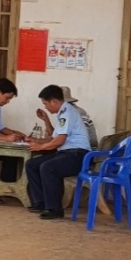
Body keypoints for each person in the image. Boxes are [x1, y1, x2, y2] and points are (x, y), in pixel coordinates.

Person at [24, 85, 93, 220]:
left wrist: (40, 147)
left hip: (78, 155)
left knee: (48, 167)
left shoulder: (67, 113)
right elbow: (54, 138)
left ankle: (54, 209)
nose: (45, 107)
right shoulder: (62, 113)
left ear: (54, 102)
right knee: (32, 164)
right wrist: (36, 141)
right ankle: (41, 202)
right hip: (66, 153)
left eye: (45, 104)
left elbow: (59, 141)